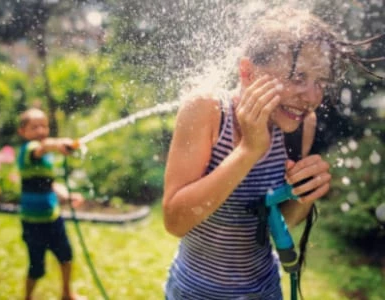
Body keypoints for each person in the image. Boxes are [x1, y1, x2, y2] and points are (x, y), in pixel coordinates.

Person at [162, 6, 381, 299]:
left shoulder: (302, 126)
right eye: (298, 76)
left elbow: (283, 222)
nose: (312, 97)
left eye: (321, 82)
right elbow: (175, 221)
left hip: (265, 289)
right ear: (247, 71)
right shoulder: (206, 111)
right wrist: (248, 151)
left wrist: (303, 195)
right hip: (196, 291)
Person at [17, 107, 84, 300]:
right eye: (34, 127)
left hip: (53, 217)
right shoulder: (28, 151)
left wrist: (67, 196)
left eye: (44, 126)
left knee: (66, 257)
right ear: (22, 132)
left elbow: (50, 183)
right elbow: (42, 147)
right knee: (36, 267)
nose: (40, 130)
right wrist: (58, 143)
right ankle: (27, 297)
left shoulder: (46, 158)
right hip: (33, 222)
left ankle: (66, 293)